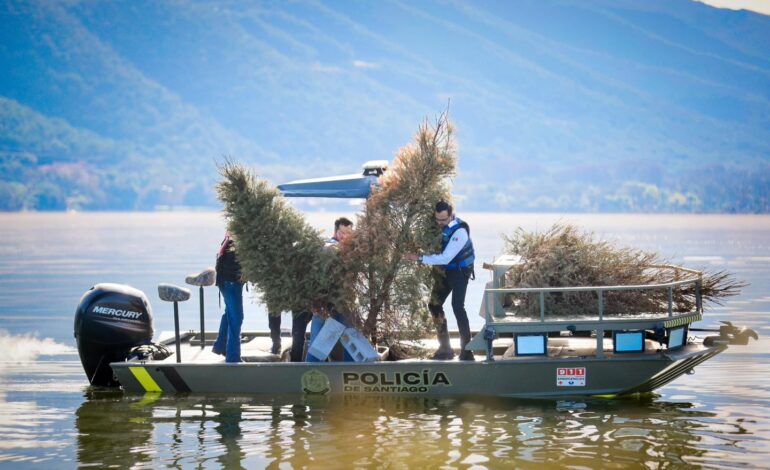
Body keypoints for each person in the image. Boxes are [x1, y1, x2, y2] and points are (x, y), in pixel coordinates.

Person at [406, 201, 476, 361]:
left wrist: (419, 258)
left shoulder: (460, 232)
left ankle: (467, 351)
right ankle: (445, 348)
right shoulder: (440, 225)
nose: (439, 223)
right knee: (434, 304)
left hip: (460, 272)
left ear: (451, 215)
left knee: (458, 307)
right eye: (437, 219)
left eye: (443, 220)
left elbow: (445, 257)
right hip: (446, 271)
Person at [306, 217, 355, 362]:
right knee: (318, 341)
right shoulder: (329, 246)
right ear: (335, 231)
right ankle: (311, 370)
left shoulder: (347, 249)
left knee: (349, 337)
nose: (345, 236)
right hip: (324, 302)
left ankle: (348, 369)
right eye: (342, 233)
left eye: (349, 233)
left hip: (341, 302)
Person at [212, 231, 245, 363]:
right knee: (236, 318)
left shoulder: (229, 240)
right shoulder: (238, 243)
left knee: (229, 313)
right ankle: (232, 357)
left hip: (225, 282)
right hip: (231, 283)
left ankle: (220, 346)